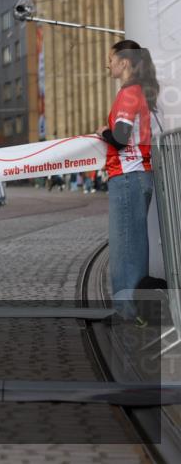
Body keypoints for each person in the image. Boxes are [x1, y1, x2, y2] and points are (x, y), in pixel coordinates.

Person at [97, 39, 160, 319]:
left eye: (110, 59)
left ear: (124, 62)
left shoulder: (128, 93)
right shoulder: (139, 91)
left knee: (124, 249)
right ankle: (137, 310)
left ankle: (126, 312)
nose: (107, 64)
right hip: (139, 175)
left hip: (127, 176)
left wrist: (102, 133)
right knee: (135, 247)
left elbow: (121, 139)